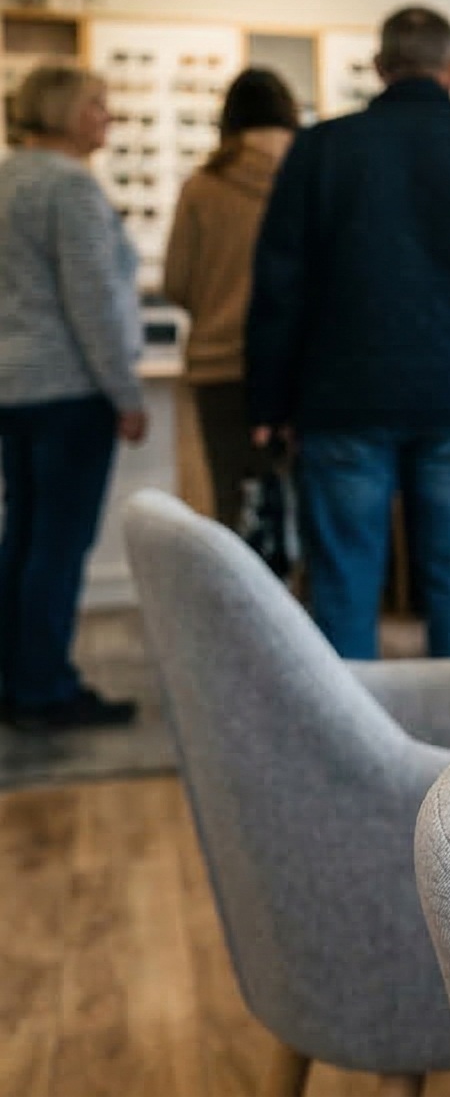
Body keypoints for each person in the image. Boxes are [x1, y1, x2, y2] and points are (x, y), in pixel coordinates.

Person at [246, 8, 450, 659]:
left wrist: (268, 402)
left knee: (343, 587)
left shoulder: (320, 149)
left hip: (342, 397)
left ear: (380, 66)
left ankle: (346, 754)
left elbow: (280, 286)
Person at [0, 66, 145, 729]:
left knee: (25, 538)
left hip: (16, 388)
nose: (106, 118)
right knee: (58, 544)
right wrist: (125, 390)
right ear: (61, 109)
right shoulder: (69, 189)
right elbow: (95, 303)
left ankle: (18, 675)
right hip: (69, 388)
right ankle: (45, 687)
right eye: (96, 105)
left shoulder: (8, 179)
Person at [163, 68, 298, 534]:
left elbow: (176, 281)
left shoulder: (203, 186)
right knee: (302, 506)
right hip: (298, 365)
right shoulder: (307, 181)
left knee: (230, 506)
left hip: (218, 363)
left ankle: (232, 606)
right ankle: (297, 605)